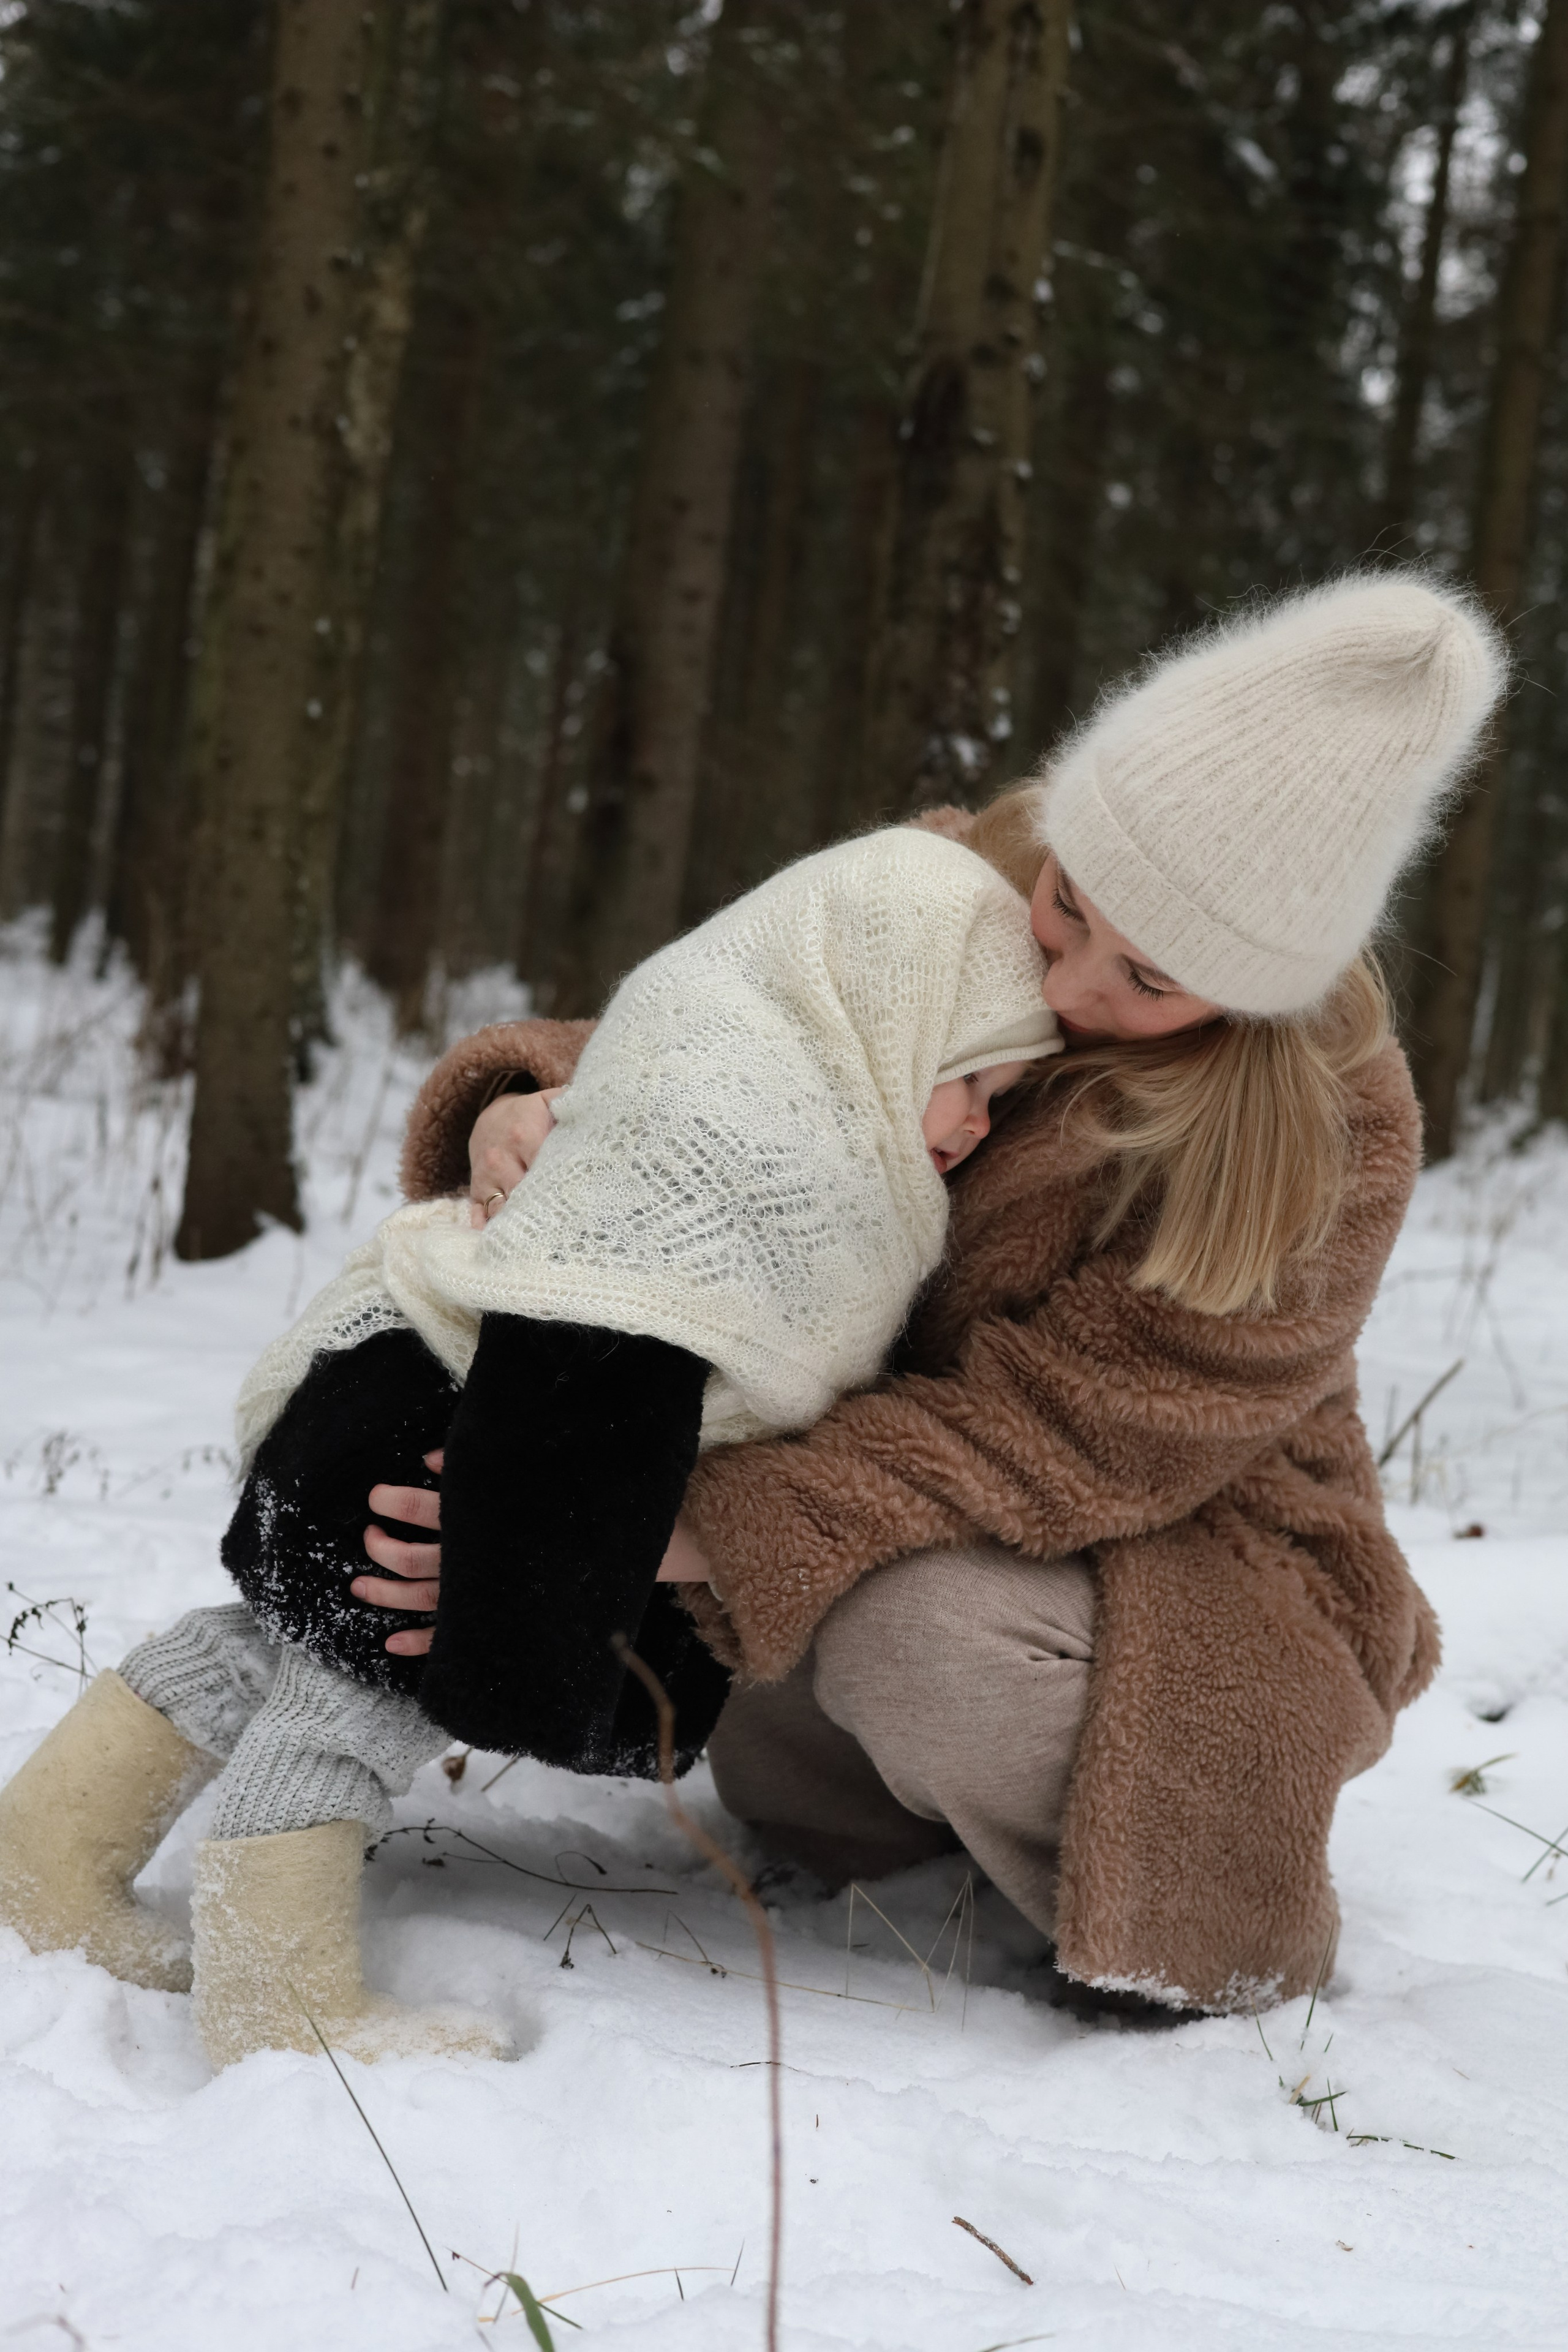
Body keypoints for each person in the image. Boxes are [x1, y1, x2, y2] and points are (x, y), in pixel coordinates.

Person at [365, 570, 1507, 2018]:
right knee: (553, 1515)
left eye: (1148, 976)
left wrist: (658, 1524)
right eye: (1069, 907)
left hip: (1175, 1552)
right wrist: (525, 1105)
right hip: (861, 1486)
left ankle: (1147, 1890)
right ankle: (876, 1820)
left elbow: (1077, 1434)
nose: (1077, 982)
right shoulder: (959, 873)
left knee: (913, 1641)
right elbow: (731, 1029)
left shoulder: (1321, 1131)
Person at [0, 827, 1054, 2067]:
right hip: (449, 1435)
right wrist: (529, 1644)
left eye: (1002, 1100)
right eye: (969, 1082)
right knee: (364, 1688)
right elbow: (595, 1369)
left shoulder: (760, 1088)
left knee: (274, 1649)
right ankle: (279, 2007)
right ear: (889, 1017)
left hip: (386, 1378)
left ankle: (44, 1867)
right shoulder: (765, 1155)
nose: (981, 1125)